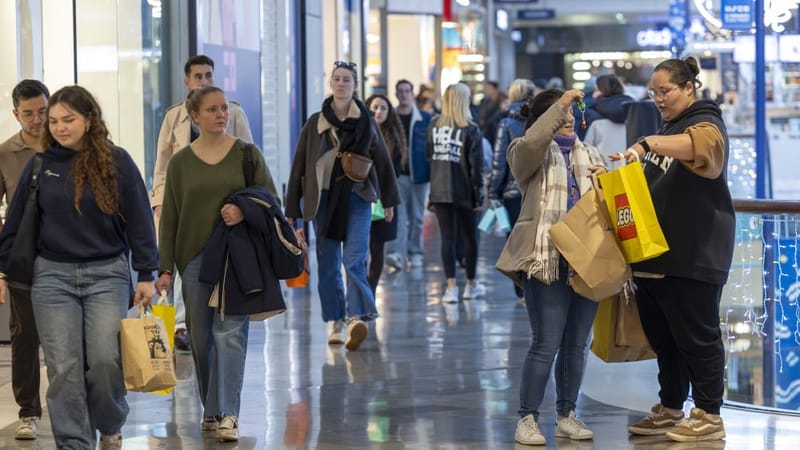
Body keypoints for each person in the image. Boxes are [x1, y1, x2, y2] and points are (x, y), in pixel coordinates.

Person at [0, 85, 158, 450]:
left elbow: (139, 220)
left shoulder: (117, 161)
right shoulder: (40, 165)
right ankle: (74, 443)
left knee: (105, 361)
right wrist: (4, 270)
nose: (58, 127)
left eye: (67, 119)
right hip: (51, 278)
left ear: (89, 120)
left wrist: (147, 272)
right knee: (63, 369)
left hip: (107, 274)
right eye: (53, 121)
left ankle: (109, 423)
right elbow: (17, 222)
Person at [616, 56, 734, 443]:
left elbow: (706, 149)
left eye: (665, 91)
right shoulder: (668, 128)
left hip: (694, 254)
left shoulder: (705, 121)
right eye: (654, 93)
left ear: (689, 88)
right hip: (657, 257)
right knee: (667, 342)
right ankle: (671, 408)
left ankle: (710, 413)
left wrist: (646, 142)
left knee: (698, 339)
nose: (659, 99)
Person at [154, 85, 279, 442]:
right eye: (211, 110)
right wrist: (164, 267)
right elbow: (172, 218)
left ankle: (228, 414)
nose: (221, 115)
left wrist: (244, 210)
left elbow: (270, 199)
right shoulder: (180, 163)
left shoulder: (247, 155)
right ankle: (211, 408)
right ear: (194, 116)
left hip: (237, 259)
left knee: (231, 335)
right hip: (192, 259)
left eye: (224, 108)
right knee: (201, 338)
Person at [495, 88, 607, 446]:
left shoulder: (590, 154)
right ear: (545, 121)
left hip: (587, 260)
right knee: (546, 342)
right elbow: (532, 143)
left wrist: (607, 182)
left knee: (577, 344)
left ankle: (566, 414)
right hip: (544, 259)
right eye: (561, 117)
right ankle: (526, 418)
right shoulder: (526, 153)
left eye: (573, 116)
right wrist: (558, 107)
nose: (569, 120)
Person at [285, 61, 399, 351]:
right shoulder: (314, 123)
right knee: (328, 264)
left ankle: (355, 317)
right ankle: (335, 320)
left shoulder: (366, 121)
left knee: (354, 259)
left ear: (355, 85)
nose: (340, 84)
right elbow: (299, 164)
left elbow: (383, 161)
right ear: (330, 83)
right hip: (323, 201)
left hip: (358, 197)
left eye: (346, 79)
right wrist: (292, 209)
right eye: (336, 79)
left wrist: (389, 200)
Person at [151, 54, 254, 352]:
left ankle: (219, 317)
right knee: (184, 264)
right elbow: (162, 164)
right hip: (182, 206)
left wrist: (247, 205)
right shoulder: (174, 117)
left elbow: (250, 157)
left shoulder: (232, 113)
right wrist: (159, 202)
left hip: (225, 208)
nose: (204, 81)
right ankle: (184, 326)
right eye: (198, 76)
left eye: (209, 75)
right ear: (187, 82)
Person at [0, 79, 48, 441]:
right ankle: (28, 411)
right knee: (25, 337)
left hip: (65, 253)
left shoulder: (65, 143)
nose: (37, 120)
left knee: (70, 339)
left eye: (42, 112)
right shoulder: (6, 153)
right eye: (28, 114)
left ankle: (75, 407)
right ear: (16, 114)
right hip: (22, 260)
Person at [426, 82, 486, 304]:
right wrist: (479, 194)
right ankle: (471, 284)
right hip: (465, 192)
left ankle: (450, 287)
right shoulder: (471, 129)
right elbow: (476, 166)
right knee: (470, 238)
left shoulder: (433, 126)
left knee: (447, 238)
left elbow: (429, 156)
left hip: (440, 191)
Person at [488, 78, 535, 303]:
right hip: (536, 189)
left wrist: (493, 191)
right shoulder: (540, 119)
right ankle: (535, 284)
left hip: (512, 192)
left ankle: (521, 290)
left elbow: (499, 162)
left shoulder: (506, 123)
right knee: (534, 238)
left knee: (515, 239)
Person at [385, 80, 432, 271]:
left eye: (407, 91)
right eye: (400, 92)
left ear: (412, 94)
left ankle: (415, 253)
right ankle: (396, 253)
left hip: (419, 175)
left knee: (417, 217)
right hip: (397, 176)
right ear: (396, 95)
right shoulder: (390, 118)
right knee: (398, 216)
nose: (404, 95)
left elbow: (430, 147)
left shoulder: (425, 119)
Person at [365, 94, 404, 292]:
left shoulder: (394, 138)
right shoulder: (361, 132)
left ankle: (370, 292)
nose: (379, 111)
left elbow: (395, 171)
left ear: (389, 113)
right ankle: (361, 291)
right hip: (363, 196)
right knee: (360, 248)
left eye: (383, 108)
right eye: (375, 107)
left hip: (384, 198)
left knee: (377, 248)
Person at [583, 74, 635, 160]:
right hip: (629, 165)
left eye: (596, 90)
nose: (593, 95)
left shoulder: (592, 113)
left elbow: (586, 147)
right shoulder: (633, 109)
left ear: (602, 91)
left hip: (602, 167)